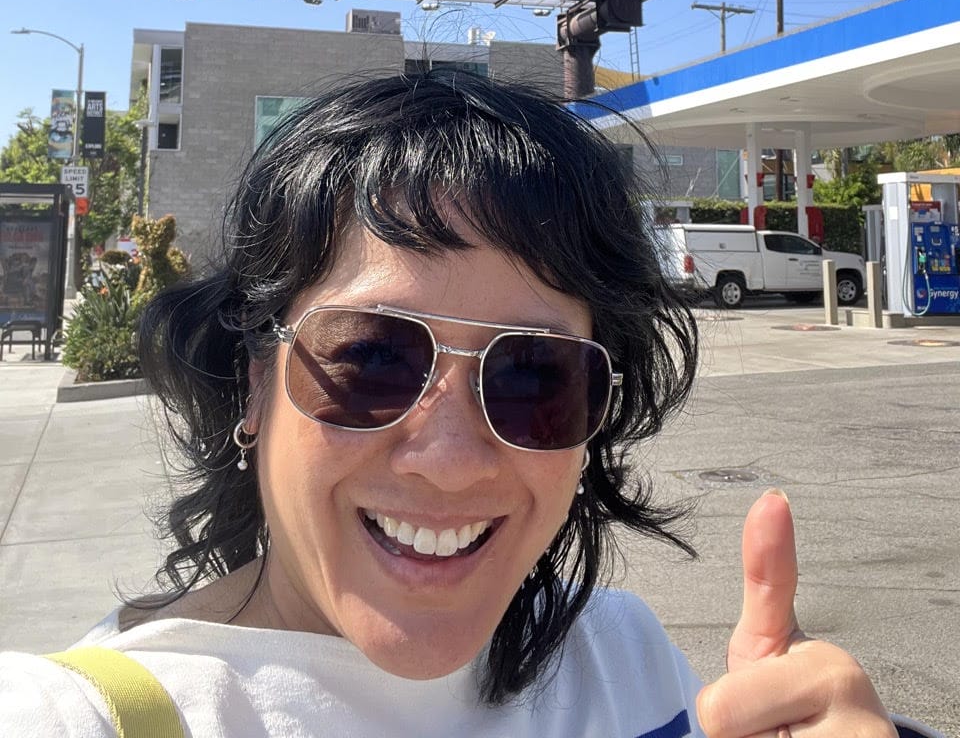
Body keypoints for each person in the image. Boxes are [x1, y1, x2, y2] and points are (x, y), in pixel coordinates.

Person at [0, 73, 939, 737]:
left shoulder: (624, 663)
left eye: (535, 377)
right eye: (368, 358)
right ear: (253, 381)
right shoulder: (75, 716)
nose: (447, 459)